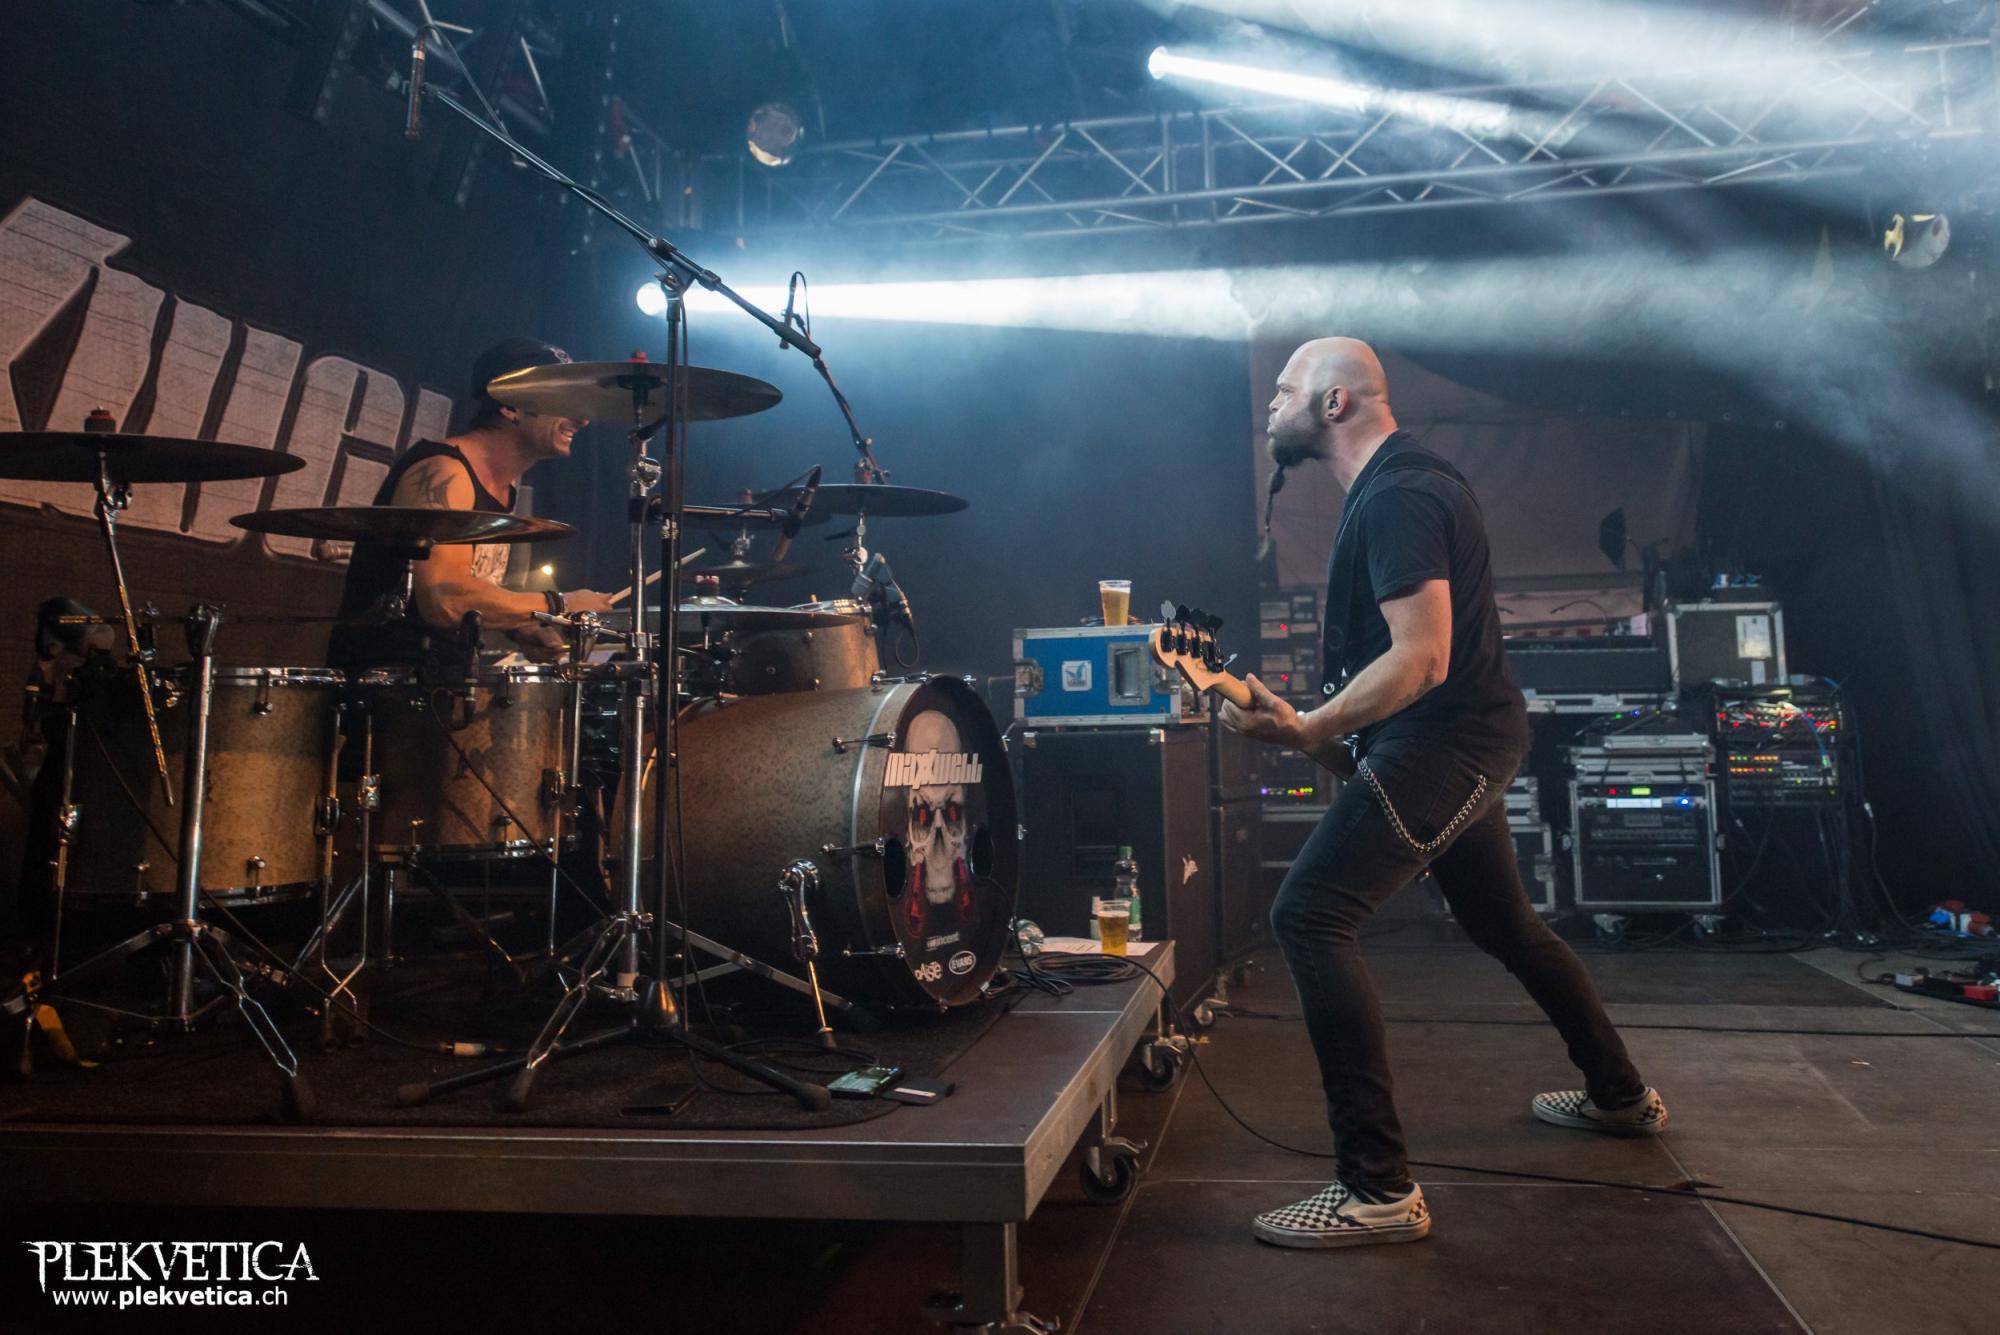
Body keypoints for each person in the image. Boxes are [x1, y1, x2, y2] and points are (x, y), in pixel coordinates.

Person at [1222, 337, 1667, 1250]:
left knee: (1309, 914)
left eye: (1286, 388)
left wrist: (1308, 727)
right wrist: (1303, 725)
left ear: (1335, 402)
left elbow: (1423, 658)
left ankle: (1377, 1189)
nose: (1270, 403)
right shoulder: (1391, 489)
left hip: (1448, 747)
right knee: (1507, 925)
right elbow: (1407, 680)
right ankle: (1620, 1094)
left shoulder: (1401, 493)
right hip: (1455, 743)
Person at [328, 338, 616, 672]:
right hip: (383, 684)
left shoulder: (504, 483)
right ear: (510, 405)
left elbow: (469, 585)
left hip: (442, 679)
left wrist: (519, 627)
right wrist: (559, 604)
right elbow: (445, 601)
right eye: (562, 400)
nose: (581, 420)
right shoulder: (445, 471)